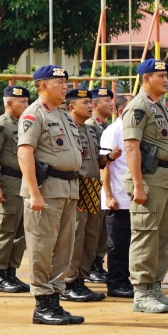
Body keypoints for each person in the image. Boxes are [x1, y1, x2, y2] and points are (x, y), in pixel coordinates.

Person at [122, 58, 168, 313]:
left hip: (167, 178)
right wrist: (138, 185)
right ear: (146, 79)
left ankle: (155, 288)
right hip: (149, 179)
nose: (166, 80)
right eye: (160, 76)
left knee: (163, 237)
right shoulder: (138, 107)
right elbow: (131, 147)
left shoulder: (159, 106)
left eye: (166, 75)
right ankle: (142, 293)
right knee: (146, 235)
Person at [17, 65, 84, 325]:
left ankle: (55, 300)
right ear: (43, 85)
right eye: (59, 82)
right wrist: (34, 193)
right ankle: (42, 304)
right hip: (46, 190)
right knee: (42, 246)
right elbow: (25, 153)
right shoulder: (34, 114)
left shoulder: (63, 114)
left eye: (66, 81)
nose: (65, 86)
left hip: (68, 188)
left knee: (63, 248)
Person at [0, 84, 31, 293]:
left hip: (24, 182)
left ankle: (12, 272)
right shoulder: (0, 125)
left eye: (27, 101)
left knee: (21, 230)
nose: (26, 105)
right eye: (21, 102)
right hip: (10, 181)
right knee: (5, 229)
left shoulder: (25, 124)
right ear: (9, 103)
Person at [63, 88, 106, 303]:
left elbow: (96, 160)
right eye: (85, 103)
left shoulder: (90, 129)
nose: (90, 106)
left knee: (90, 236)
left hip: (92, 184)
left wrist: (108, 157)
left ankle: (81, 279)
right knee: (76, 236)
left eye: (90, 102)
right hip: (77, 185)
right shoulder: (67, 128)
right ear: (71, 107)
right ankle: (69, 282)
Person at [100, 94, 134, 297]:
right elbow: (104, 164)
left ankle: (125, 280)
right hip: (118, 197)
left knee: (129, 243)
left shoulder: (132, 130)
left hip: (131, 196)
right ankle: (116, 283)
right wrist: (109, 195)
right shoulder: (113, 131)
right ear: (121, 111)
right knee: (117, 244)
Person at [85, 86, 117, 282]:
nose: (111, 104)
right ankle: (89, 266)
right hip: (95, 181)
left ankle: (97, 262)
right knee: (93, 228)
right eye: (106, 100)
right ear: (95, 104)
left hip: (105, 182)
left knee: (103, 228)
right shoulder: (90, 126)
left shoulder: (105, 126)